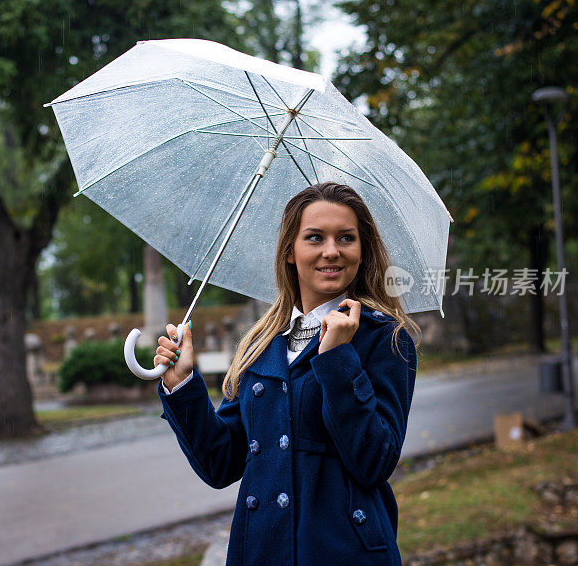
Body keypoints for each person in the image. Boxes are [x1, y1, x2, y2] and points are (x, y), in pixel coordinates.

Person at [154, 182, 419, 565]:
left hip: (341, 552)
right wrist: (182, 386)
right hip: (262, 549)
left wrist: (338, 358)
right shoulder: (261, 344)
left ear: (362, 252)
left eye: (346, 238)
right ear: (290, 252)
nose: (332, 251)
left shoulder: (386, 339)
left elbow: (374, 462)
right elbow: (220, 462)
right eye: (315, 237)